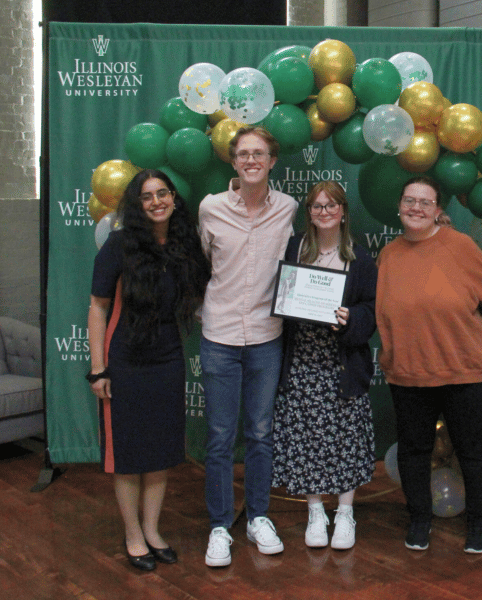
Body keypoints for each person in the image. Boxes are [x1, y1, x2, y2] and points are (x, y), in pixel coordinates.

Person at [88, 169, 211, 571]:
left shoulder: (184, 245)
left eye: (163, 193)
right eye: (147, 196)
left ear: (174, 198)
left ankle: (153, 530)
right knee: (128, 455)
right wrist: (98, 369)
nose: (157, 201)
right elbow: (98, 307)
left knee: (159, 452)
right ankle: (133, 535)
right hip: (124, 361)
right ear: (136, 205)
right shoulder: (119, 245)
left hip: (169, 358)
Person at [375, 176, 482, 554]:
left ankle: (480, 522)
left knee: (474, 452)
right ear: (399, 205)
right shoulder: (389, 255)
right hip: (409, 371)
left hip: (465, 369)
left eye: (425, 202)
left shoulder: (460, 246)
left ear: (438, 210)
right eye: (409, 200)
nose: (416, 208)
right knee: (414, 451)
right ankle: (419, 519)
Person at [199, 126, 298, 565]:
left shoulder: (289, 208)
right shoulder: (211, 208)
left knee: (260, 434)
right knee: (220, 437)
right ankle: (220, 526)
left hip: (266, 337)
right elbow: (203, 263)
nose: (251, 160)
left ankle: (258, 516)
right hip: (219, 335)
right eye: (243, 154)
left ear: (273, 161)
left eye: (259, 153)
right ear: (233, 161)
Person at [272, 181, 377, 551]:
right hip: (301, 359)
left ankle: (345, 513)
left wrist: (353, 320)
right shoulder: (294, 248)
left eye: (331, 206)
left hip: (341, 364)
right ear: (309, 213)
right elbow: (279, 295)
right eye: (317, 207)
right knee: (306, 438)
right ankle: (315, 511)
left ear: (343, 211)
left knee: (345, 438)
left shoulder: (360, 259)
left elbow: (370, 310)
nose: (324, 212)